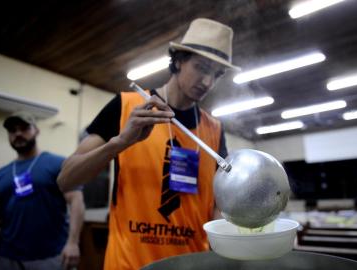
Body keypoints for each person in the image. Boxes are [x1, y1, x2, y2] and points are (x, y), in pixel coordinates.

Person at [57, 18, 239, 269]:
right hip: (130, 263)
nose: (208, 82)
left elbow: (218, 204)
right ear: (178, 60)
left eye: (216, 74)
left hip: (192, 264)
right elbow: (66, 179)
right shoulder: (126, 106)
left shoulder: (214, 129)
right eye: (201, 67)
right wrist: (120, 142)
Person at [0, 112, 85, 270]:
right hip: (8, 258)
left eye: (24, 128)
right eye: (13, 131)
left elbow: (76, 200)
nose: (18, 134)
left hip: (51, 256)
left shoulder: (58, 164)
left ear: (36, 130)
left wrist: (72, 243)